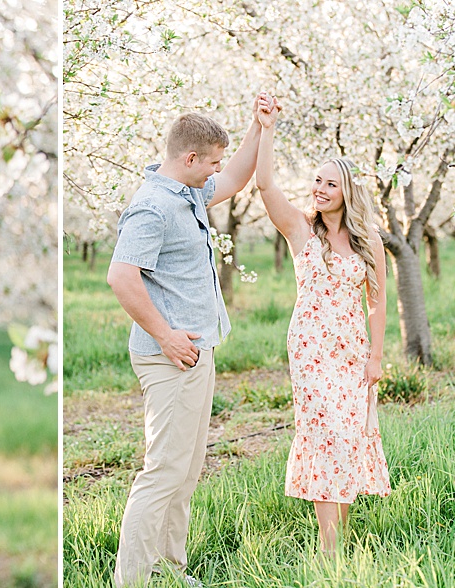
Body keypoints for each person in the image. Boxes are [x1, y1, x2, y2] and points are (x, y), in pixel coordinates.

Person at [107, 98, 266, 587]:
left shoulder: (188, 193)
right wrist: (166, 336)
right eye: (211, 161)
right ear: (190, 159)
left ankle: (170, 570)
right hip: (171, 357)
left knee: (187, 469)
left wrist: (259, 127)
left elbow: (238, 176)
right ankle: (132, 579)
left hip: (195, 353)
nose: (217, 169)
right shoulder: (153, 206)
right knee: (163, 472)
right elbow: (120, 275)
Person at [252, 94, 390, 556]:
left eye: (330, 184)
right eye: (316, 181)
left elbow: (378, 304)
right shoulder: (299, 230)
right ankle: (330, 551)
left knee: (347, 437)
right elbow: (266, 185)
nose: (319, 189)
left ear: (346, 191)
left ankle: (338, 540)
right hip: (310, 353)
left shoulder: (369, 240)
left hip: (352, 354)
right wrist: (266, 129)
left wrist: (375, 356)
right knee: (324, 435)